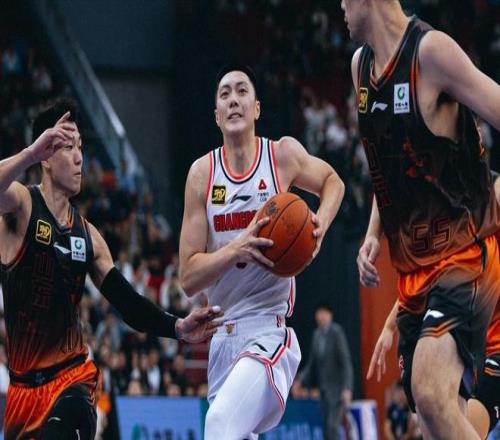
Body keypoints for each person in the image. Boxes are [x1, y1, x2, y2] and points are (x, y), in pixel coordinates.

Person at [0, 98, 222, 440]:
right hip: (21, 394)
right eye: (68, 147)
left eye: (80, 147)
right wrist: (30, 153)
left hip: (73, 380)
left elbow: (128, 303)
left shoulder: (89, 236)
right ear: (46, 155)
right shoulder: (21, 206)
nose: (79, 157)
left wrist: (177, 327)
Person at [342, 0, 500, 438]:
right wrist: (373, 233)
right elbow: (388, 168)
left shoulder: (431, 53)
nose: (341, 6)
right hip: (413, 273)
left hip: (465, 254)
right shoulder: (360, 68)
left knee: (428, 391)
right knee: (433, 420)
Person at [179, 63, 345, 439]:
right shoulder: (202, 175)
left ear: (256, 108)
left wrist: (320, 224)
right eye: (225, 94)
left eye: (242, 91)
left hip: (267, 332)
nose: (233, 100)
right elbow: (188, 278)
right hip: (221, 338)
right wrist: (237, 248)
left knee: (218, 425)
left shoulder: (281, 156)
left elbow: (333, 182)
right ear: (216, 115)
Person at [368, 298, 500, 439]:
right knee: (435, 420)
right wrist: (389, 328)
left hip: (488, 350)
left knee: (441, 411)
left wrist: (389, 327)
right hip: (455, 339)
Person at [299, 303, 353, 440]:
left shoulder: (336, 332)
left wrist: (347, 388)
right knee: (326, 429)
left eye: (324, 313)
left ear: (330, 315)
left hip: (337, 390)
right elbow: (312, 364)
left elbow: (345, 361)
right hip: (323, 391)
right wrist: (300, 380)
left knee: (333, 426)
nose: (321, 316)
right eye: (319, 313)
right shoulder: (316, 335)